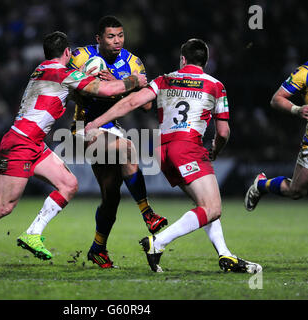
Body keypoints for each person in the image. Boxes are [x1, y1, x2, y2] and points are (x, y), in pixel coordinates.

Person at [0, 31, 147, 269]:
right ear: (67, 53)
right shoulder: (63, 73)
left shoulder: (42, 69)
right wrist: (134, 81)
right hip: (21, 143)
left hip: (34, 144)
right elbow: (108, 91)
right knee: (3, 206)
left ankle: (33, 233)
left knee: (69, 184)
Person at [85, 38, 262, 273]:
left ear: (183, 59)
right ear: (206, 62)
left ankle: (225, 255)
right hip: (188, 147)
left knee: (204, 203)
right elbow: (223, 131)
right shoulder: (215, 85)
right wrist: (216, 150)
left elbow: (132, 101)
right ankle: (157, 243)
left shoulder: (164, 79)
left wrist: (96, 122)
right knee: (213, 208)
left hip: (163, 150)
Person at [69, 16, 167, 269]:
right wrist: (99, 85)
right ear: (99, 39)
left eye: (120, 36)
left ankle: (97, 248)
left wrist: (118, 84)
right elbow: (69, 90)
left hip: (111, 129)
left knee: (110, 197)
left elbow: (146, 104)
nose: (117, 41)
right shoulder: (81, 57)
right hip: (84, 128)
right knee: (127, 148)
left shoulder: (133, 63)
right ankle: (148, 213)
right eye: (111, 37)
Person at [244, 62, 308, 211]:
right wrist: (297, 109)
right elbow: (277, 99)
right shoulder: (304, 73)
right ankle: (261, 185)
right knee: (296, 191)